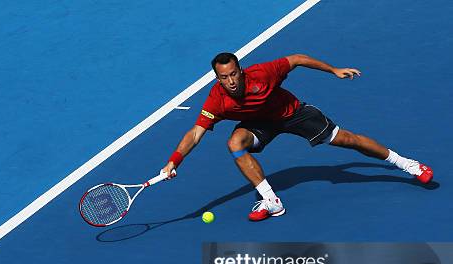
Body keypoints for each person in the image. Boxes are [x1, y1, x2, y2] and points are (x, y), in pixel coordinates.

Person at [161, 53, 433, 221]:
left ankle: (407, 163)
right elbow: (195, 133)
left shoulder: (263, 73)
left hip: (292, 113)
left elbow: (298, 58)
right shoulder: (217, 100)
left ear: (241, 71)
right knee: (235, 143)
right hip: (259, 124)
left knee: (347, 140)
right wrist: (174, 161)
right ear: (217, 79)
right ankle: (271, 201)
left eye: (233, 74)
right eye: (224, 77)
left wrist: (334, 70)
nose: (231, 81)